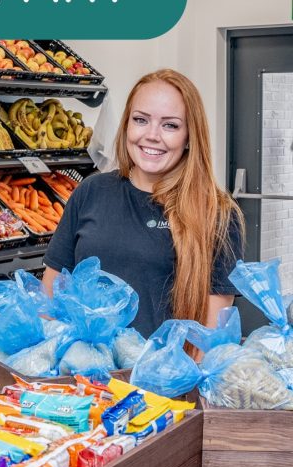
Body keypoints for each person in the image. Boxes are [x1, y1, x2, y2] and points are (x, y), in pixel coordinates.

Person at [42, 69, 245, 338]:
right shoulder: (91, 191)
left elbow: (210, 337)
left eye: (170, 125)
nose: (152, 135)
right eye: (141, 120)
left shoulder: (217, 214)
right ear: (127, 124)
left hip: (161, 378)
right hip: (81, 373)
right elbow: (50, 295)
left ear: (189, 137)